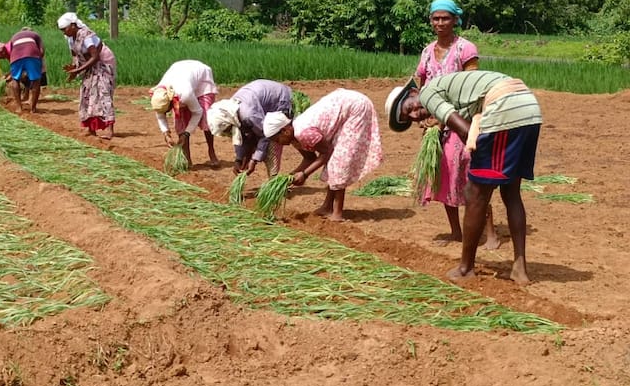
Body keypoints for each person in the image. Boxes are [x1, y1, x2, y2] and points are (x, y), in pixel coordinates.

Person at [385, 70, 543, 284]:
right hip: (528, 108)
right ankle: (519, 270)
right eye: (408, 118)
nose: (414, 115)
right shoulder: (452, 92)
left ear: (413, 92)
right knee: (511, 191)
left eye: (408, 108)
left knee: (474, 193)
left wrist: (476, 161)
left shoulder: (428, 92)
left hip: (505, 107)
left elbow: (467, 131)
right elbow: (465, 123)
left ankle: (465, 268)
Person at [414, 0, 497, 248]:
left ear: (455, 20)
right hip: (435, 126)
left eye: (445, 18)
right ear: (431, 21)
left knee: (471, 176)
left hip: (463, 123)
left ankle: (491, 233)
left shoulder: (465, 49)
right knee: (444, 175)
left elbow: (473, 88)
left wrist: (445, 118)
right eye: (436, 18)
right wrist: (426, 115)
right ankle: (455, 231)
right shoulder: (427, 52)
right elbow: (421, 86)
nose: (440, 23)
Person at [263, 88, 383, 222]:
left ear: (284, 130)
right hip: (343, 109)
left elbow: (327, 152)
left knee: (339, 161)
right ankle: (327, 207)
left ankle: (337, 213)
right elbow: (310, 158)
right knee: (333, 160)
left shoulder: (303, 133)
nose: (278, 144)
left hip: (356, 107)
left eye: (277, 140)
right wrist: (288, 178)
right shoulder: (294, 138)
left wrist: (305, 174)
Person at [206, 79, 315, 177]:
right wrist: (239, 159)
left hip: (284, 103)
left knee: (274, 143)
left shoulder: (248, 114)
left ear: (228, 122)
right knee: (258, 141)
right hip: (264, 109)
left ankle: (275, 180)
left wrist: (255, 159)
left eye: (227, 130)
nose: (227, 133)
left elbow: (266, 134)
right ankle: (284, 178)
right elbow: (240, 135)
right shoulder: (232, 111)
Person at [57, 12, 117, 140]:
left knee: (103, 92)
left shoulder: (86, 35)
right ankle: (91, 129)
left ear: (73, 25)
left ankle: (110, 130)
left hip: (103, 62)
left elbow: (95, 56)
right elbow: (74, 55)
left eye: (65, 29)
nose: (64, 33)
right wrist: (74, 67)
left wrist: (78, 70)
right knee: (87, 93)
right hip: (89, 64)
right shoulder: (70, 38)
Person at [149, 59, 219, 167]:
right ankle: (187, 158)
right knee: (181, 122)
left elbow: (197, 112)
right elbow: (160, 114)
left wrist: (187, 133)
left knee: (206, 118)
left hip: (201, 77)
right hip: (181, 74)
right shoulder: (159, 95)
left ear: (172, 102)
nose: (167, 112)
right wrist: (166, 134)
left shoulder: (184, 94)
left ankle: (211, 151)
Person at [0, 28, 45, 113]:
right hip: (32, 54)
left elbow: (14, 55)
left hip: (16, 55)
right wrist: (37, 62)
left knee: (15, 80)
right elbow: (41, 51)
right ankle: (33, 108)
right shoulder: (36, 35)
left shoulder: (14, 37)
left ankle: (19, 107)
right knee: (36, 81)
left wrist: (12, 75)